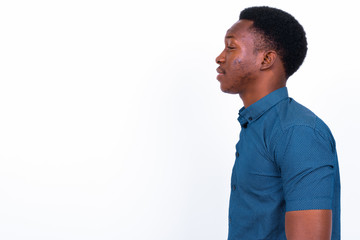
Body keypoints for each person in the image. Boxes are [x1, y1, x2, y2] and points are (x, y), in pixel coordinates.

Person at [215, 6, 340, 240]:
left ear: (266, 59)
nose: (220, 57)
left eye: (231, 47)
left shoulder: (298, 132)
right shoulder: (255, 125)